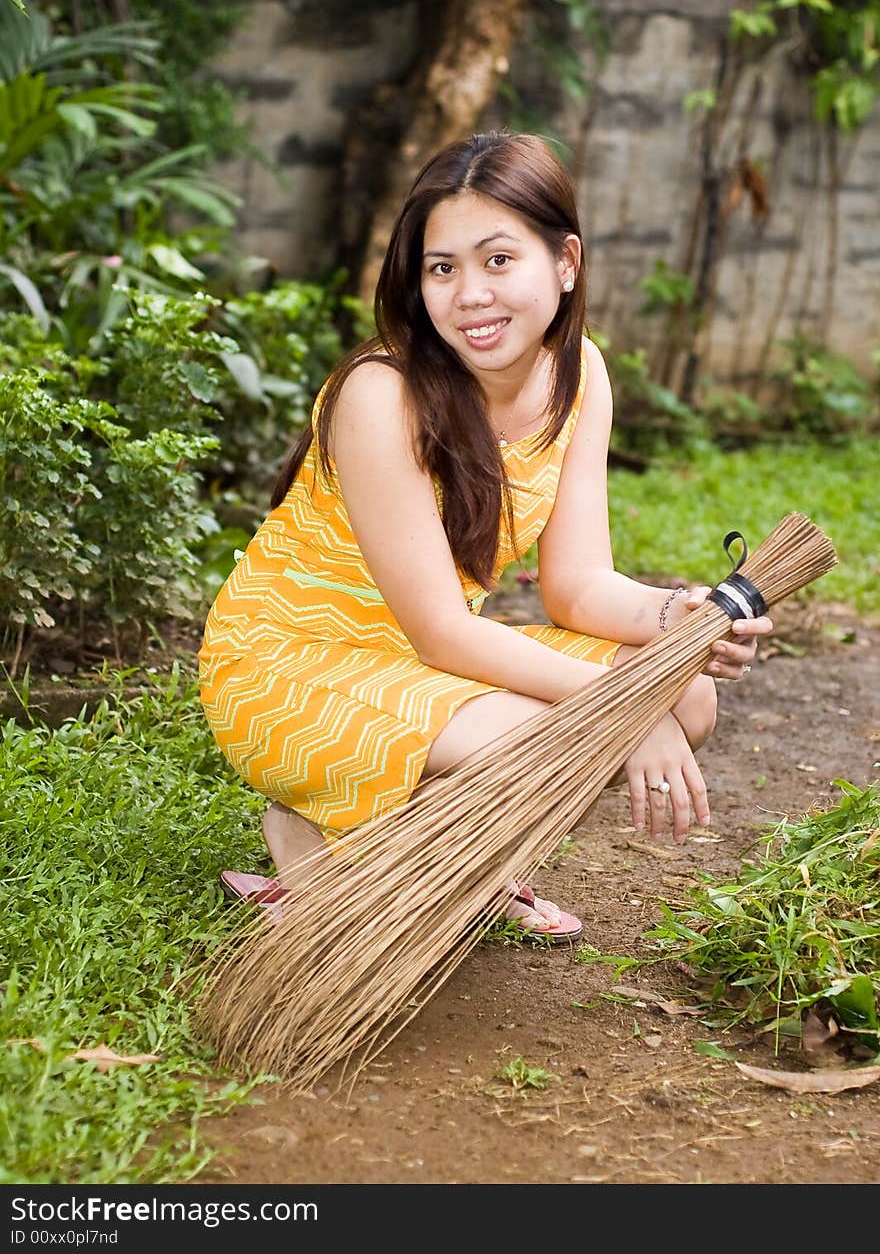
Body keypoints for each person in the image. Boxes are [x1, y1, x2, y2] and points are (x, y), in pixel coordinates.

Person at [198, 130, 771, 939]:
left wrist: (678, 623)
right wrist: (628, 709)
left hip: (415, 663)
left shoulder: (580, 375)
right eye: (443, 267)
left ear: (565, 263)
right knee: (561, 724)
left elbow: (575, 585)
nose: (469, 293)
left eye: (498, 260)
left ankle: (415, 847)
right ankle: (325, 831)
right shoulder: (381, 394)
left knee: (692, 694)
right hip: (287, 667)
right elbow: (441, 631)